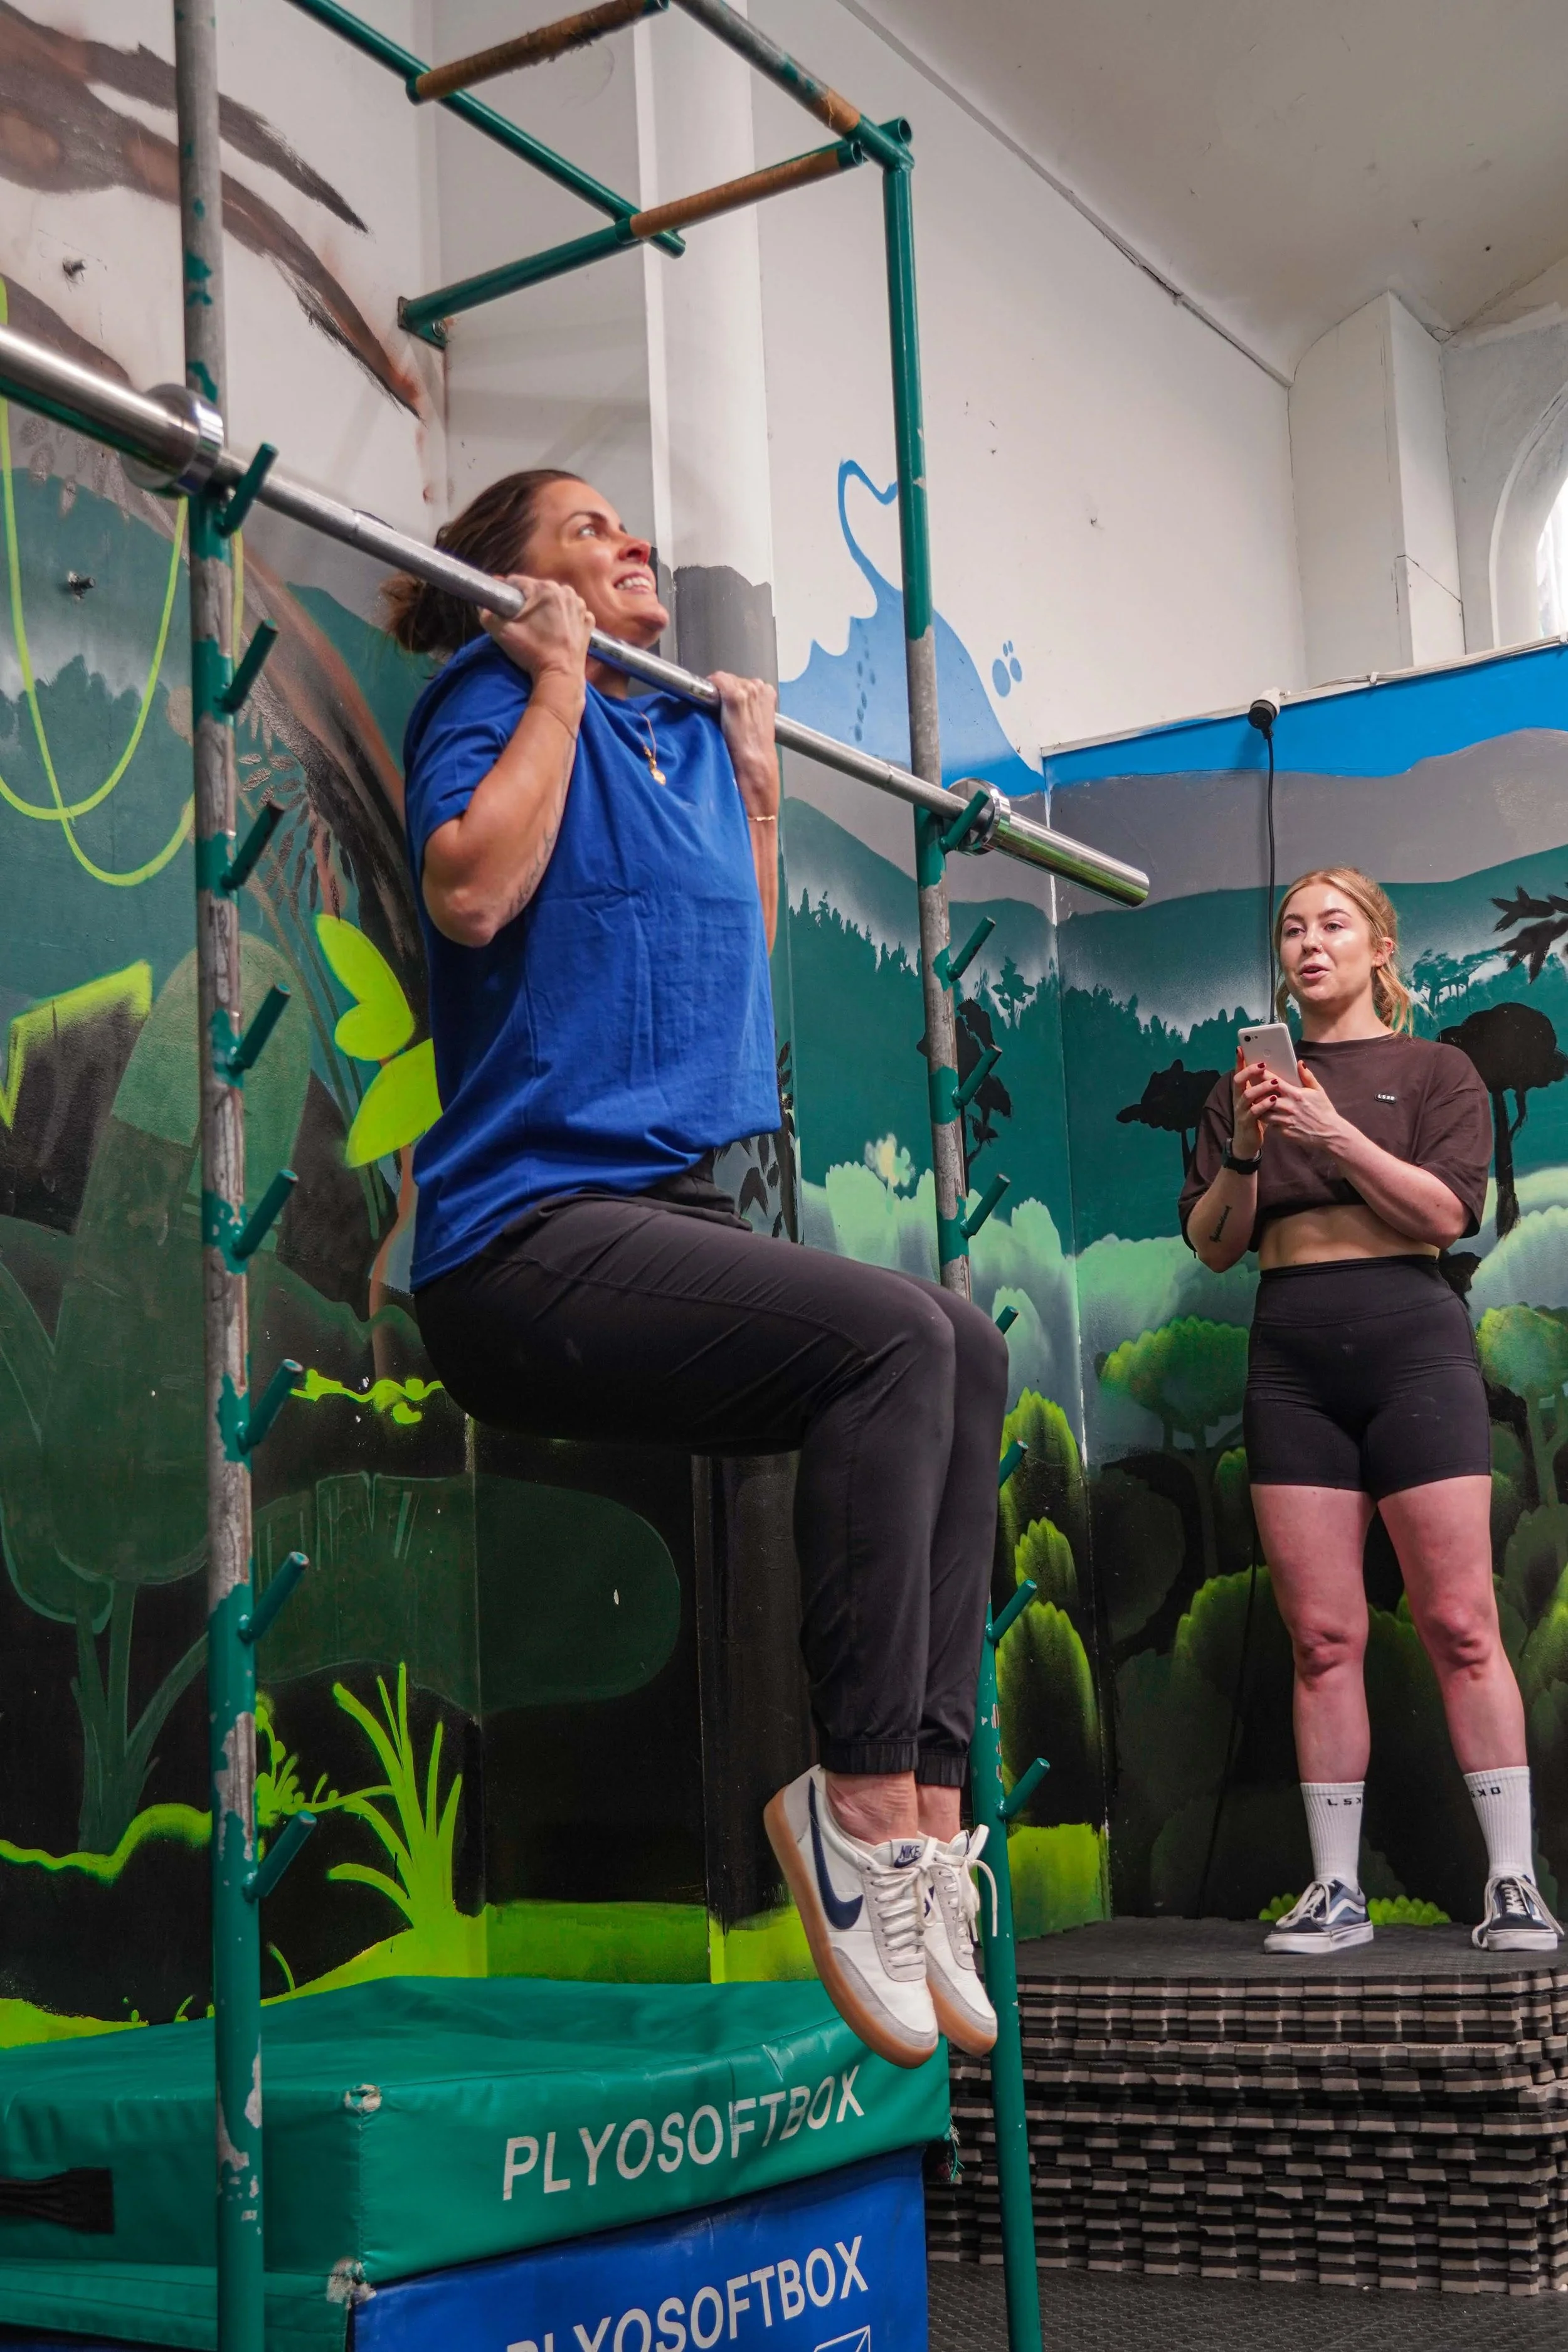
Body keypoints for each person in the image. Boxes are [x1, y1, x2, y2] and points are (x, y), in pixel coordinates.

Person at [384, 469, 1010, 2067]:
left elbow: (722, 985)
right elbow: (474, 891)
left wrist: (758, 799)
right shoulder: (493, 694)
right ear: (511, 583)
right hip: (520, 1247)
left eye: (626, 526)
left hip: (657, 1234)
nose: (631, 542)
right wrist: (551, 670)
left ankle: (923, 1820)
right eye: (585, 529)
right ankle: (852, 1801)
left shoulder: (670, 737)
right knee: (894, 1341)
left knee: (964, 1346)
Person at [1179, 866, 1558, 1956]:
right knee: (1320, 1637)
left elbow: (1446, 1215)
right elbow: (1214, 1244)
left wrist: (1332, 1130)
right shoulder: (1243, 1089)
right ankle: (1337, 1891)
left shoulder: (1438, 1071)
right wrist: (1251, 1146)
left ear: (1380, 947)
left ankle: (1514, 1881)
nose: (1309, 943)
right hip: (1291, 1357)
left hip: (1413, 1349)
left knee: (1462, 1622)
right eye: (1292, 929)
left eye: (1333, 924)